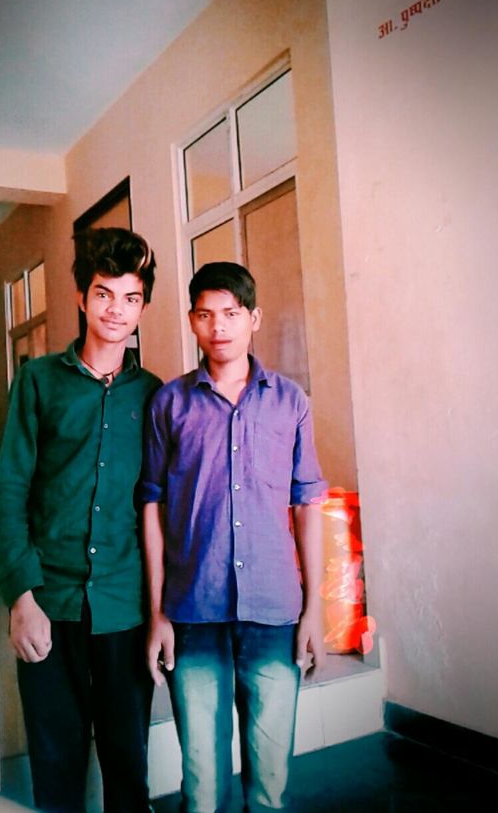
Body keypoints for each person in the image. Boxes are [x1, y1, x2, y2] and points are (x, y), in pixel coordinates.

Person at [142, 261, 328, 813]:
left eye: (230, 313)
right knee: (201, 785)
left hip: (274, 612)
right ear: (192, 322)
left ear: (254, 318)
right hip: (194, 612)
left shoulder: (290, 402)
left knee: (269, 784)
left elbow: (307, 505)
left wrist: (314, 609)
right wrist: (157, 613)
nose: (218, 326)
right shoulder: (169, 404)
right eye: (205, 315)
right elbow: (151, 506)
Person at [0, 227, 161, 813]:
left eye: (131, 297)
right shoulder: (37, 382)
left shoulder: (154, 395)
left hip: (123, 605)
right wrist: (21, 598)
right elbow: (9, 492)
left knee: (128, 766)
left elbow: (158, 508)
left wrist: (162, 611)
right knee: (56, 767)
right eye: (104, 293)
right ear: (82, 298)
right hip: (50, 602)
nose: (116, 310)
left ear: (142, 307)